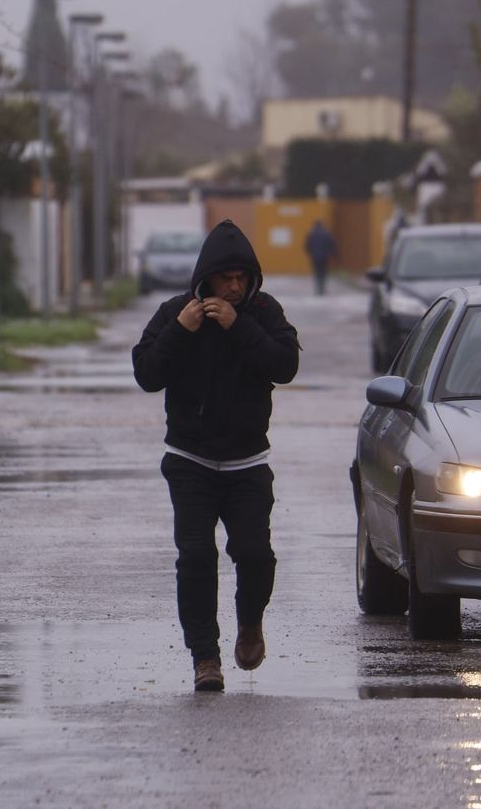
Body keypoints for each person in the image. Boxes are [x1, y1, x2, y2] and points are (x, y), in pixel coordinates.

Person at [131, 219, 300, 692]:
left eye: (242, 277)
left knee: (254, 553)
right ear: (206, 277)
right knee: (196, 556)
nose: (233, 285)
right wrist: (182, 331)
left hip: (248, 462)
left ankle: (250, 624)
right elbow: (146, 373)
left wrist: (239, 326)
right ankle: (205, 658)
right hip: (190, 461)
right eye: (225, 276)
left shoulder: (264, 312)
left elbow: (285, 365)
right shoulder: (174, 312)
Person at [303, 220, 338, 295]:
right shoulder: (326, 233)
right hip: (325, 256)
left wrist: (310, 252)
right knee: (324, 272)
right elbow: (331, 244)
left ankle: (318, 289)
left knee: (317, 272)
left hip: (315, 256)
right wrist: (332, 253)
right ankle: (323, 288)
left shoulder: (311, 234)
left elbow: (308, 245)